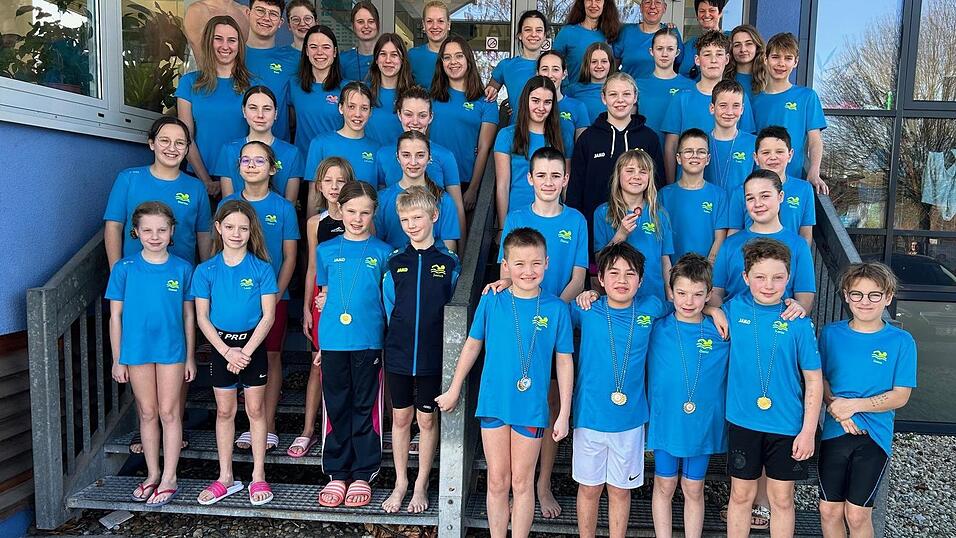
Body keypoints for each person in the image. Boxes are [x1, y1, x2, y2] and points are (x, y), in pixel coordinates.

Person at [435, 227, 574, 538]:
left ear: (547, 263)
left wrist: (564, 412)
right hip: (495, 400)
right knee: (498, 480)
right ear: (506, 265)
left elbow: (564, 362)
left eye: (536, 263)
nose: (528, 271)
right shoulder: (492, 300)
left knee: (522, 483)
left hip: (531, 405)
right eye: (519, 264)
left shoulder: (555, 308)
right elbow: (472, 344)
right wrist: (455, 387)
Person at [492, 147, 588, 518]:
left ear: (565, 180)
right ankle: (516, 483)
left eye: (556, 176)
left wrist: (552, 313)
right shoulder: (516, 218)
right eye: (541, 175)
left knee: (548, 405)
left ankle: (541, 485)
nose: (549, 182)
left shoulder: (576, 220)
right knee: (522, 402)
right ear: (529, 179)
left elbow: (578, 277)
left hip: (557, 320)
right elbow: (507, 272)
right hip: (520, 329)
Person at [723, 238, 823, 538]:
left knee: (781, 499)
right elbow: (698, 307)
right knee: (740, 497)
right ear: (745, 278)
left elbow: (814, 379)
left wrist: (807, 431)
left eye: (778, 277)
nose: (769, 284)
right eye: (760, 277)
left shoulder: (798, 322)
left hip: (786, 424)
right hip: (743, 422)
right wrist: (714, 311)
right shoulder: (731, 309)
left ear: (788, 278)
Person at [570, 242, 669, 538]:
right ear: (600, 279)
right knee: (589, 489)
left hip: (630, 420)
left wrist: (715, 310)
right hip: (589, 417)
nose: (622, 280)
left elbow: (686, 305)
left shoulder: (652, 307)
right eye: (613, 273)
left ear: (641, 279)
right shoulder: (586, 309)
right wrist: (583, 294)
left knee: (620, 491)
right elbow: (547, 310)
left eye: (630, 274)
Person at [107, 201, 196, 507]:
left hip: (171, 350)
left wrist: (191, 356)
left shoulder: (183, 268)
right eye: (147, 230)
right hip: (136, 350)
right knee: (147, 412)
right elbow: (115, 317)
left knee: (169, 412)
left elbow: (188, 316)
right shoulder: (124, 268)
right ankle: (152, 473)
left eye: (161, 229)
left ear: (172, 232)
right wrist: (118, 358)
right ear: (136, 232)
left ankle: (170, 476)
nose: (154, 235)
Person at [818, 263, 917, 538]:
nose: (865, 301)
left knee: (858, 513)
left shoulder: (901, 341)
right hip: (835, 432)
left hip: (874, 436)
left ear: (888, 297)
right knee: (829, 511)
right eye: (857, 294)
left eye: (874, 295)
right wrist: (839, 410)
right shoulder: (830, 334)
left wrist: (855, 406)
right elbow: (820, 380)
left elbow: (901, 395)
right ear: (847, 296)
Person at [192, 200, 278, 506]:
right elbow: (202, 317)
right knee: (225, 411)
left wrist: (245, 351)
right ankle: (225, 477)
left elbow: (268, 316)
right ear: (218, 228)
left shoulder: (261, 268)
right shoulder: (206, 270)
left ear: (251, 230)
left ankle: (257, 476)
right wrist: (227, 351)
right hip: (222, 348)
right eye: (229, 227)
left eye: (243, 228)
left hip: (252, 346)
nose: (236, 233)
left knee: (255, 411)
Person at [380, 186, 461, 514]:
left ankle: (421, 484)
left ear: (434, 216)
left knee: (427, 421)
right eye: (405, 219)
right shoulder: (394, 261)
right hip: (398, 353)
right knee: (400, 418)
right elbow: (388, 307)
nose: (411, 224)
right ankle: (400, 482)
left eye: (417, 217)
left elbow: (455, 306)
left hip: (432, 357)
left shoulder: (448, 262)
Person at [314, 181, 393, 508]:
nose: (357, 218)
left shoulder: (383, 252)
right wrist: (320, 344)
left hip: (368, 341)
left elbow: (388, 300)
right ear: (340, 210)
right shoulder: (326, 250)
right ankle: (337, 471)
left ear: (374, 213)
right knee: (336, 405)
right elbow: (324, 297)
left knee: (365, 406)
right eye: (351, 211)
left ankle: (363, 471)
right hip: (334, 340)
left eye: (365, 212)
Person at [221, 141, 299, 454]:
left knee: (270, 356)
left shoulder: (283, 207)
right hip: (233, 301)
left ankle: (268, 425)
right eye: (246, 159)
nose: (252, 165)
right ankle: (245, 423)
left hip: (273, 299)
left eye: (260, 160)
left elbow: (290, 256)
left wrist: (275, 296)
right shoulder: (227, 204)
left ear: (272, 168)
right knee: (235, 356)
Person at [647, 254, 730, 538]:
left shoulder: (722, 331)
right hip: (667, 420)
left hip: (701, 424)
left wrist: (715, 311)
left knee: (694, 486)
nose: (689, 301)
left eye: (697, 295)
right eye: (681, 292)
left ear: (709, 294)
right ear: (670, 292)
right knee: (664, 484)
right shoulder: (657, 326)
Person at [288, 158, 353, 458]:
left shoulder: (359, 216)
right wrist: (305, 308)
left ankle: (348, 426)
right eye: (328, 181)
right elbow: (312, 267)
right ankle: (308, 429)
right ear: (319, 186)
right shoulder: (316, 222)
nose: (335, 186)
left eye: (340, 181)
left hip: (351, 296)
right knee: (318, 362)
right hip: (322, 298)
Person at [567, 72, 664, 248]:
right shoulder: (588, 139)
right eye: (613, 94)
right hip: (595, 231)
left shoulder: (649, 138)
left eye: (626, 94)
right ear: (603, 98)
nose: (620, 100)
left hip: (641, 231)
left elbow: (658, 185)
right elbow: (575, 190)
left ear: (635, 97)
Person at [105, 117, 212, 268]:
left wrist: (206, 278)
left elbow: (204, 235)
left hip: (182, 281)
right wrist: (116, 273)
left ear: (187, 149)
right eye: (164, 140)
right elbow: (113, 227)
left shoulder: (196, 187)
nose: (172, 148)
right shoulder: (128, 179)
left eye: (180, 143)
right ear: (151, 144)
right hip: (134, 277)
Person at [711, 170, 815, 315]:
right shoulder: (730, 244)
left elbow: (805, 299)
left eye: (765, 196)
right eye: (750, 198)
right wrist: (722, 315)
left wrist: (797, 309)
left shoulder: (798, 245)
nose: (757, 204)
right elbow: (715, 292)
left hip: (779, 326)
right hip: (734, 328)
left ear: (780, 197)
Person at [662, 30, 756, 184]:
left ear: (726, 59)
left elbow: (746, 142)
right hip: (689, 183)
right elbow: (671, 146)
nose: (713, 60)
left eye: (719, 54)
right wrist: (672, 184)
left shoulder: (739, 97)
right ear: (697, 60)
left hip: (729, 183)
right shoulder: (682, 98)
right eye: (707, 54)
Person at [375, 86, 466, 239]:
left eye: (422, 115)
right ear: (399, 115)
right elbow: (381, 204)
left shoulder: (445, 156)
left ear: (431, 117)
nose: (415, 121)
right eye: (408, 114)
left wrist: (464, 255)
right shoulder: (383, 154)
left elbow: (457, 207)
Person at [177, 15, 254, 195]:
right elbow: (185, 136)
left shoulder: (254, 86)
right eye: (218, 39)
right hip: (198, 177)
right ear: (208, 42)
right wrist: (206, 180)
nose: (225, 46)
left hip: (243, 179)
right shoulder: (189, 83)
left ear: (239, 45)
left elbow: (258, 135)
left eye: (232, 40)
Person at [592, 148, 674, 301]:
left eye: (643, 172)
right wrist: (621, 234)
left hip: (653, 296)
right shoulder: (603, 213)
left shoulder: (660, 214)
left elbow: (665, 261)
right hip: (617, 297)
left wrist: (670, 294)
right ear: (618, 175)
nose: (636, 176)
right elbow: (600, 261)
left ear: (650, 177)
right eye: (629, 170)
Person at [752, 32, 828, 194]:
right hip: (759, 183)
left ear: (796, 62)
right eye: (775, 57)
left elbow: (815, 140)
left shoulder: (807, 97)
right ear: (765, 60)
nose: (781, 63)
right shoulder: (753, 100)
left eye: (788, 58)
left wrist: (814, 171)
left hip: (792, 181)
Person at [430, 36, 499, 211]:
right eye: (447, 57)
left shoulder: (486, 102)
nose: (453, 62)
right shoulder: (431, 99)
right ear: (441, 63)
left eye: (459, 56)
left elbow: (484, 148)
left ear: (468, 60)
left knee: (463, 237)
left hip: (465, 181)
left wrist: (473, 189)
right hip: (432, 179)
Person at [494, 76, 572, 225]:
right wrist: (502, 226)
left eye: (547, 102)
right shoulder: (507, 135)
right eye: (535, 101)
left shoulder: (563, 137)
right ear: (526, 101)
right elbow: (503, 185)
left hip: (553, 216)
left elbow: (565, 185)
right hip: (517, 216)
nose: (541, 107)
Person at [727, 126, 815, 244]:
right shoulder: (740, 191)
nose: (773, 157)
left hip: (790, 259)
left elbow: (806, 234)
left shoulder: (804, 189)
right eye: (766, 152)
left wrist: (801, 260)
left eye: (779, 152)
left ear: (790, 155)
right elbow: (734, 234)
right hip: (750, 259)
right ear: (756, 157)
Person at [375, 131, 461, 252]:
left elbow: (449, 250)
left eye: (420, 155)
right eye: (406, 155)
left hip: (432, 267)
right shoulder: (382, 199)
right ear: (397, 157)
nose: (413, 162)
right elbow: (376, 245)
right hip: (392, 266)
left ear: (429, 158)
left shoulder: (443, 200)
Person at [215, 85, 303, 202]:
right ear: (244, 111)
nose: (260, 115)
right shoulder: (229, 150)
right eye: (253, 108)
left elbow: (289, 205)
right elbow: (227, 203)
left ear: (276, 113)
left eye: (267, 109)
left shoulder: (292, 153)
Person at [305, 82, 381, 215]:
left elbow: (378, 197)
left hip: (364, 227)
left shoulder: (377, 149)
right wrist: (312, 230)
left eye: (364, 108)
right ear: (341, 108)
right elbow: (314, 194)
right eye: (351, 106)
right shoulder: (320, 143)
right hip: (328, 228)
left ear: (370, 112)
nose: (357, 114)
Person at [659, 128, 728, 261]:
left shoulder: (719, 195)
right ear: (678, 158)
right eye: (688, 151)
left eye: (701, 152)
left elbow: (720, 238)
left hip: (705, 273)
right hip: (674, 273)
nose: (695, 156)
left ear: (708, 159)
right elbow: (661, 241)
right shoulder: (664, 195)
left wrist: (708, 269)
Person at [243, 0, 298, 141]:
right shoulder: (231, 54)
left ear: (280, 22)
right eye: (260, 10)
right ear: (248, 13)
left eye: (273, 14)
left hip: (277, 150)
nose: (266, 18)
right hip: (236, 150)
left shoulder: (293, 60)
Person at [289, 25, 347, 157]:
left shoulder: (347, 89)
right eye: (313, 47)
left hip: (337, 165)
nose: (319, 52)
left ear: (335, 52)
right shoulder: (294, 85)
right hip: (304, 164)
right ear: (307, 51)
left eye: (326, 47)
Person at [635, 27, 696, 147]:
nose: (664, 54)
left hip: (679, 153)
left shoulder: (690, 86)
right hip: (646, 153)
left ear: (677, 52)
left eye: (670, 49)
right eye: (659, 49)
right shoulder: (637, 84)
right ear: (651, 51)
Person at [485, 10, 548, 120]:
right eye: (528, 30)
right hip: (515, 131)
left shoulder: (554, 67)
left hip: (548, 132)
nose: (533, 34)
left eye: (539, 30)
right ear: (519, 35)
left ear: (544, 36)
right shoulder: (506, 66)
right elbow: (488, 97)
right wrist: (503, 112)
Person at [704, 79, 758, 195]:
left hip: (742, 210)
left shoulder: (754, 143)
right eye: (723, 105)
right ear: (712, 108)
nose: (729, 112)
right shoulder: (701, 142)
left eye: (736, 106)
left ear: (742, 109)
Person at [551, 0, 621, 89]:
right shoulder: (567, 33)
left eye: (598, 0)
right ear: (582, 3)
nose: (593, 4)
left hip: (606, 97)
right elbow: (552, 62)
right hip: (575, 97)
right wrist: (566, 86)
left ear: (605, 3)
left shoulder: (613, 34)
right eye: (589, 0)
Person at [615, 0, 685, 79]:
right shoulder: (625, 32)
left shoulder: (671, 32)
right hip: (629, 89)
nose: (652, 6)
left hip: (661, 89)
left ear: (664, 8)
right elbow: (613, 67)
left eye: (657, 2)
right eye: (648, 2)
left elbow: (680, 67)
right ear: (641, 7)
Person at [366, 34, 414, 147]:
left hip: (404, 161)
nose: (388, 60)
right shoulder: (364, 93)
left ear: (402, 60)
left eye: (394, 55)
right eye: (383, 54)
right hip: (368, 159)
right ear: (376, 60)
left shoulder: (413, 96)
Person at [536, 51, 590, 150]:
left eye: (555, 69)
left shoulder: (577, 107)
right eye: (544, 69)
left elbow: (582, 150)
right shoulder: (531, 106)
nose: (550, 75)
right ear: (537, 73)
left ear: (564, 73)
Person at [183, 0, 248, 66]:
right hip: (206, 74)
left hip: (242, 74)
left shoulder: (244, 11)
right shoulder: (197, 11)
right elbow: (203, 61)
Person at [565, 42, 617, 122]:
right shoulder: (572, 90)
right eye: (594, 62)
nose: (599, 66)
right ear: (587, 64)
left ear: (610, 64)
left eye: (604, 61)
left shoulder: (619, 90)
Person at [678, 0, 728, 79]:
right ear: (697, 15)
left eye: (712, 10)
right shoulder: (689, 45)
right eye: (702, 11)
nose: (707, 15)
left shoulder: (731, 39)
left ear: (720, 13)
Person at [407, 1, 451, 88]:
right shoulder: (413, 56)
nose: (435, 26)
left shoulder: (461, 55)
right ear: (424, 25)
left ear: (448, 24)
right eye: (429, 21)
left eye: (440, 21)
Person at [339, 1, 379, 82]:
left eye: (371, 21)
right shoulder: (342, 60)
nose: (366, 26)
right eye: (360, 22)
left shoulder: (388, 58)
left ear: (378, 24)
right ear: (353, 26)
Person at [726, 25, 767, 97]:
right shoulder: (723, 77)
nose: (743, 49)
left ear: (757, 47)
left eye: (748, 44)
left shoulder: (768, 78)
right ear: (731, 49)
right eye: (737, 45)